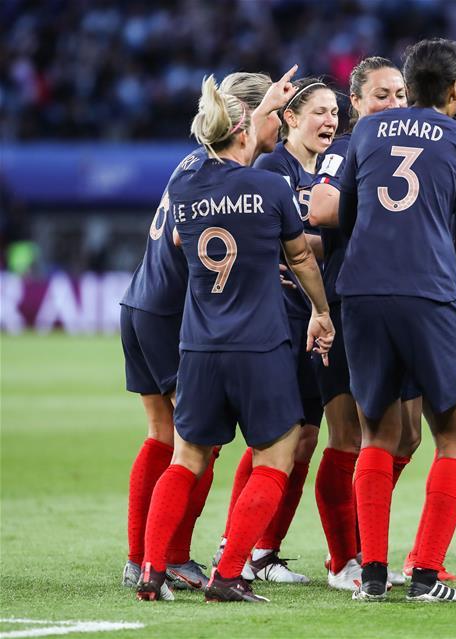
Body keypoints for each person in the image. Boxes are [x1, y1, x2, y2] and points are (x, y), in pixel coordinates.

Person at [135, 74, 334, 603]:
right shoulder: (270, 187)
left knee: (186, 459)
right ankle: (227, 575)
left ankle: (151, 571)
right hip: (259, 345)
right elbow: (300, 257)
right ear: (245, 132)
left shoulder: (185, 185)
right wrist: (321, 311)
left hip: (199, 345)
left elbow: (177, 238)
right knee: (276, 456)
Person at [119, 69, 287, 593]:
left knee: (164, 436)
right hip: (173, 315)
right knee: (195, 446)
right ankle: (168, 557)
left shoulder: (195, 164)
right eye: (276, 116)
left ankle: (142, 560)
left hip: (142, 301)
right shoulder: (223, 172)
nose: (281, 127)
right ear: (249, 120)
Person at [337, 38, 456, 602]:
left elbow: (347, 214)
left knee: (376, 433)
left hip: (363, 291)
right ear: (454, 90)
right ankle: (425, 574)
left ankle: (372, 576)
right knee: (455, 433)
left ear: (409, 82)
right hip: (429, 290)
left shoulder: (367, 132)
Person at [305, 56, 430, 589]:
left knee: (409, 436)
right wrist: (382, 204)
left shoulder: (415, 149)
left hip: (404, 300)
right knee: (348, 437)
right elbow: (320, 208)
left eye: (400, 94)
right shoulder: (347, 147)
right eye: (381, 95)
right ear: (355, 103)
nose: (394, 104)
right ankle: (346, 559)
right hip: (347, 304)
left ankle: (364, 536)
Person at [211, 77, 338, 585]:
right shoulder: (271, 168)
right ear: (290, 118)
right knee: (274, 438)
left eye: (335, 112)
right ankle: (237, 545)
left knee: (304, 438)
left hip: (320, 315)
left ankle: (264, 551)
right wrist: (345, 235)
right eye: (319, 112)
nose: (330, 120)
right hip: (281, 317)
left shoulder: (334, 167)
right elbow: (287, 242)